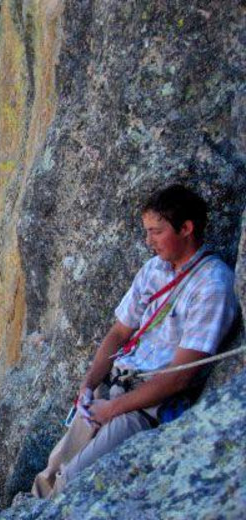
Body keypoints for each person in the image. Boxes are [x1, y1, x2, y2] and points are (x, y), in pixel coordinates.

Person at [31, 184, 238, 499]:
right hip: (114, 391)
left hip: (145, 407)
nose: (148, 241)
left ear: (186, 228)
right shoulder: (155, 269)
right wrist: (89, 384)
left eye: (156, 231)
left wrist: (112, 409)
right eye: (147, 231)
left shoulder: (212, 285)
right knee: (51, 470)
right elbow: (119, 333)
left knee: (71, 482)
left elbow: (180, 376)